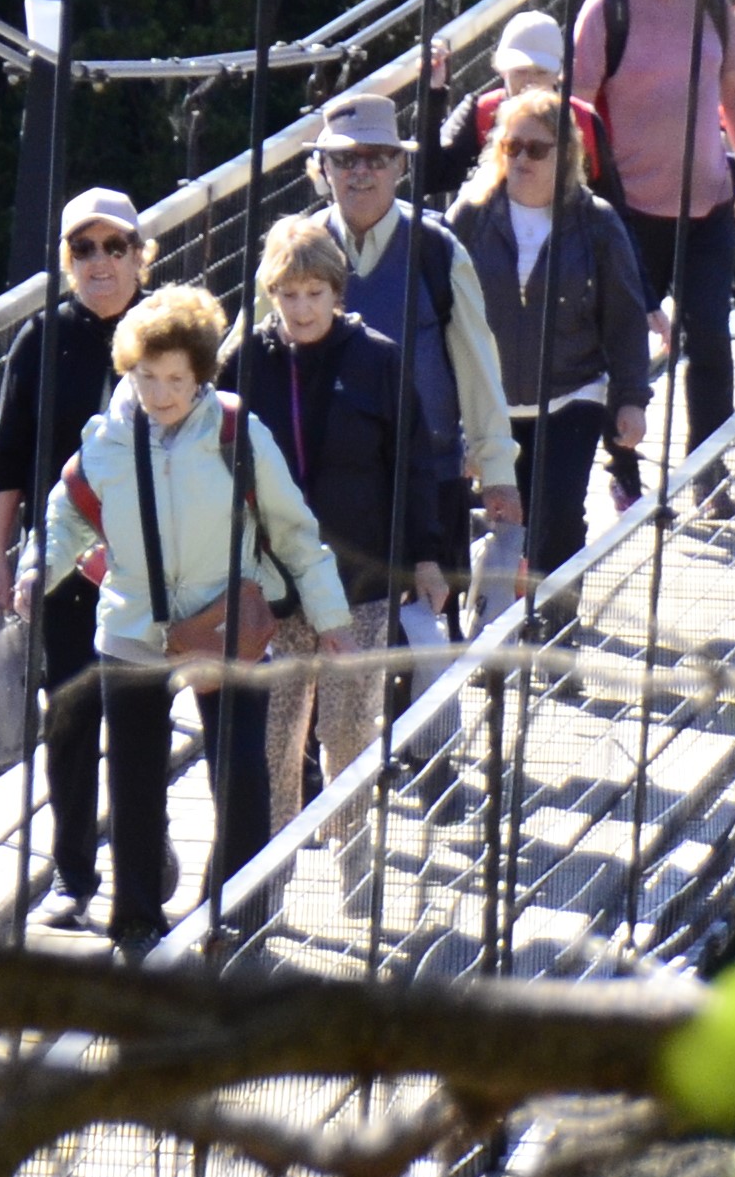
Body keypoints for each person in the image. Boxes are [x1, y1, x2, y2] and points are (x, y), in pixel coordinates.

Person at [43, 282, 355, 951]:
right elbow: (66, 513)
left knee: (241, 777)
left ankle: (237, 913)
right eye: (146, 377)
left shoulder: (237, 434)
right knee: (133, 781)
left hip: (226, 626)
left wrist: (332, 618)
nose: (159, 395)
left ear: (202, 376)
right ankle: (136, 920)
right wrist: (35, 573)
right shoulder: (105, 441)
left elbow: (296, 532)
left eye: (176, 380)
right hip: (133, 628)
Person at [222, 209, 440, 874]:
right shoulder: (246, 362)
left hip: (358, 582)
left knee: (346, 726)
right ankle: (272, 871)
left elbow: (414, 463)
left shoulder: (378, 359)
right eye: (287, 295)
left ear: (336, 292)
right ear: (271, 295)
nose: (301, 309)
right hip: (274, 583)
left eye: (314, 293)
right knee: (275, 735)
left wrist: (426, 555)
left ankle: (352, 848)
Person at [0, 185, 155, 930]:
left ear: (141, 256)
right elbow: (7, 459)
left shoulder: (169, 331)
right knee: (72, 717)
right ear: (66, 260)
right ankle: (74, 874)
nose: (99, 262)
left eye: (115, 246)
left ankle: (145, 864)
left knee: (142, 718)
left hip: (154, 565)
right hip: (61, 563)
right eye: (83, 248)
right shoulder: (42, 338)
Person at [569, 0, 735, 512]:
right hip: (629, 217)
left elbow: (734, 90)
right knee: (622, 348)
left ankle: (707, 472)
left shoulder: (710, 0)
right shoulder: (609, 8)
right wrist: (581, 203)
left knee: (710, 337)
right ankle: (624, 469)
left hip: (708, 207)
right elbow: (575, 110)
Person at [308, 91, 517, 565]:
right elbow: (247, 357)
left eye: (376, 157)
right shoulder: (299, 251)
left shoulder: (438, 249)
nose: (360, 172)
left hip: (433, 484)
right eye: (344, 159)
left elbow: (477, 367)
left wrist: (498, 475)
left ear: (400, 165)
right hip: (325, 490)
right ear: (323, 167)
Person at [451, 83, 654, 568]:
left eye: (537, 149)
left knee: (558, 520)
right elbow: (439, 312)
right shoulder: (470, 216)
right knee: (502, 524)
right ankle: (500, 610)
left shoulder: (597, 222)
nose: (522, 158)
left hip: (572, 397)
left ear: (565, 155)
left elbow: (625, 319)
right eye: (512, 146)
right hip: (488, 405)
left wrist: (631, 399)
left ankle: (555, 613)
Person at [421, 12, 579, 202]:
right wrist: (432, 94)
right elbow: (429, 179)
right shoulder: (482, 112)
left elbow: (606, 199)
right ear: (503, 71)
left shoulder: (582, 121)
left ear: (558, 75)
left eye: (541, 72)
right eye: (520, 71)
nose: (530, 81)